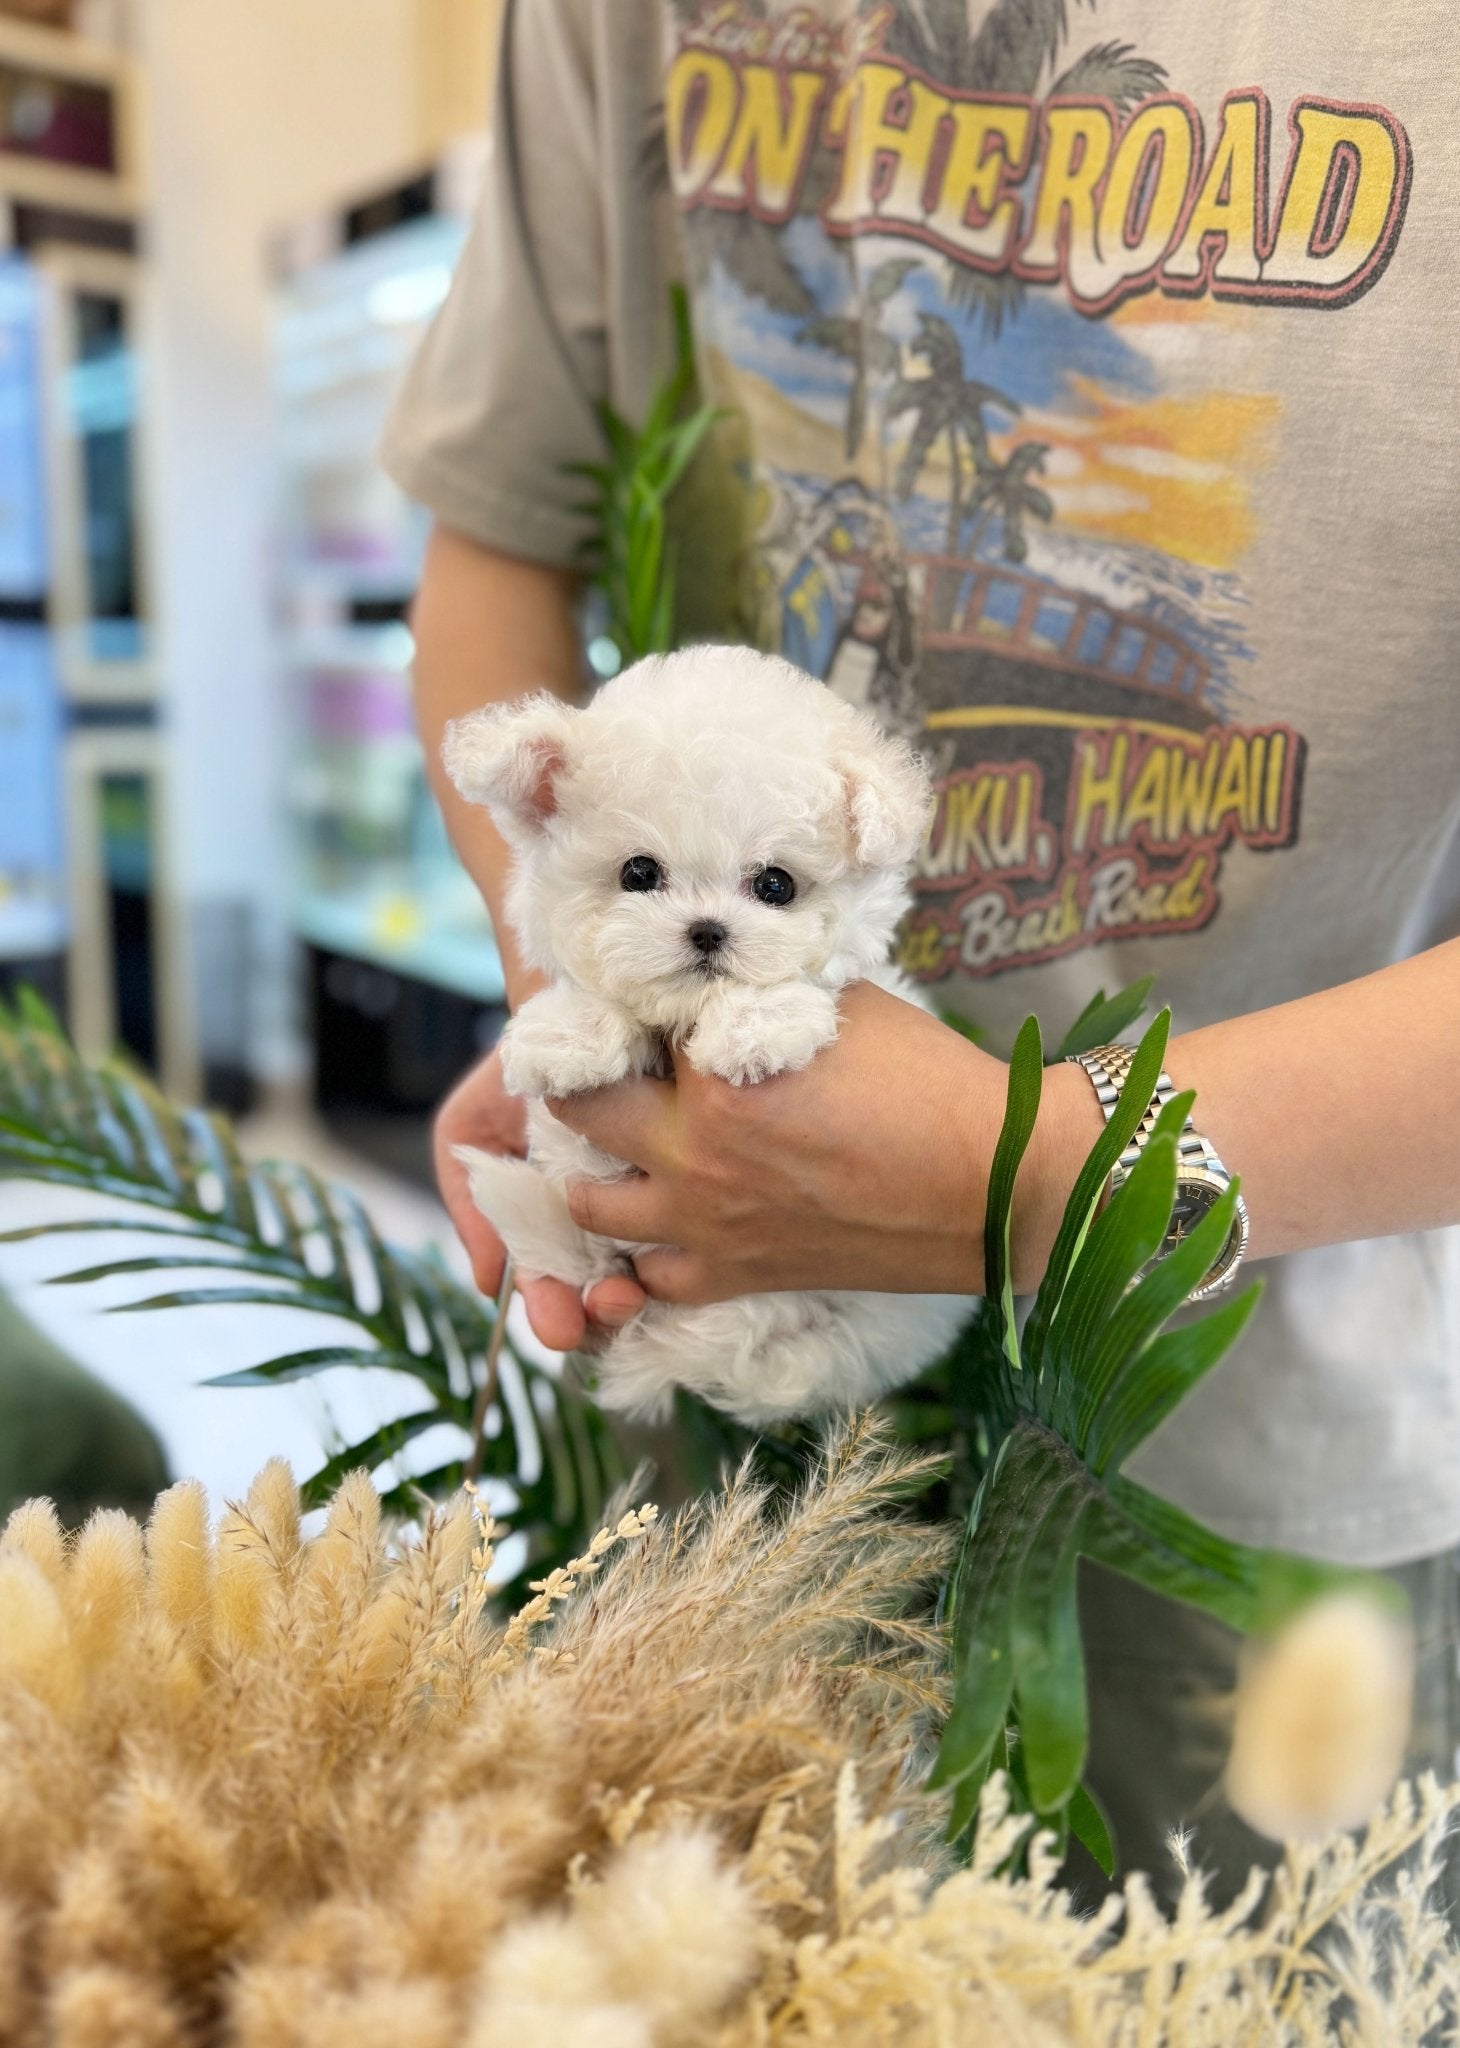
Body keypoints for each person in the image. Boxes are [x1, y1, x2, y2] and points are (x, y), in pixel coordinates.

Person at [382, 0, 1460, 1899]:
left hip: (1274, 1401)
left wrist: (1024, 1174)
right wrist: (583, 974)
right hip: (710, 1331)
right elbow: (496, 535)